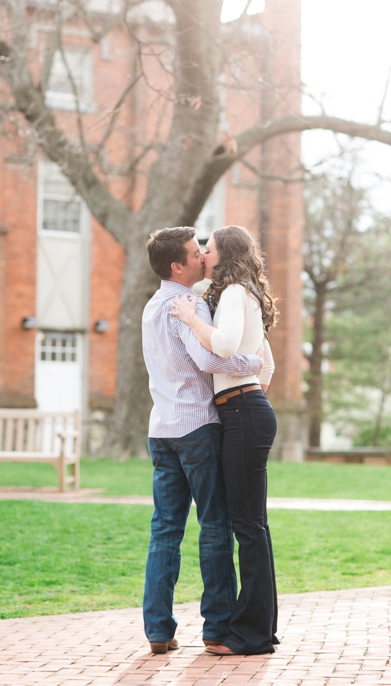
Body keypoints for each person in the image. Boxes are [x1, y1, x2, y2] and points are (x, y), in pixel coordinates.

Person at [141, 226, 263, 654]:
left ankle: (158, 631)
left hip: (161, 430)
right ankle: (216, 629)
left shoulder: (151, 307)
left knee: (165, 530)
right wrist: (253, 360)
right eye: (195, 254)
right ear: (178, 266)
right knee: (214, 526)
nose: (202, 259)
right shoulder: (187, 302)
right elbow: (210, 356)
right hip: (197, 426)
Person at [170, 225, 279, 656]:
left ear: (224, 254)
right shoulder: (245, 292)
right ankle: (258, 629)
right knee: (252, 525)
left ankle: (250, 636)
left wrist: (190, 317)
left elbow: (226, 343)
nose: (203, 255)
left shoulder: (234, 292)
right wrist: (248, 397)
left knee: (248, 526)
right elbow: (265, 365)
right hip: (246, 409)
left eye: (208, 249)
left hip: (241, 412)